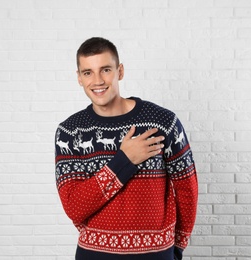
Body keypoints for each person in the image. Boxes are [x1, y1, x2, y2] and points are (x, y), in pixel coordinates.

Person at [54, 37, 198, 260]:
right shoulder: (70, 132)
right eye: (88, 72)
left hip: (156, 254)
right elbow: (74, 207)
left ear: (120, 71)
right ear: (79, 78)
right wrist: (125, 160)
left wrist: (176, 247)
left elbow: (187, 187)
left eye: (106, 70)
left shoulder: (162, 122)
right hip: (94, 255)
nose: (98, 80)